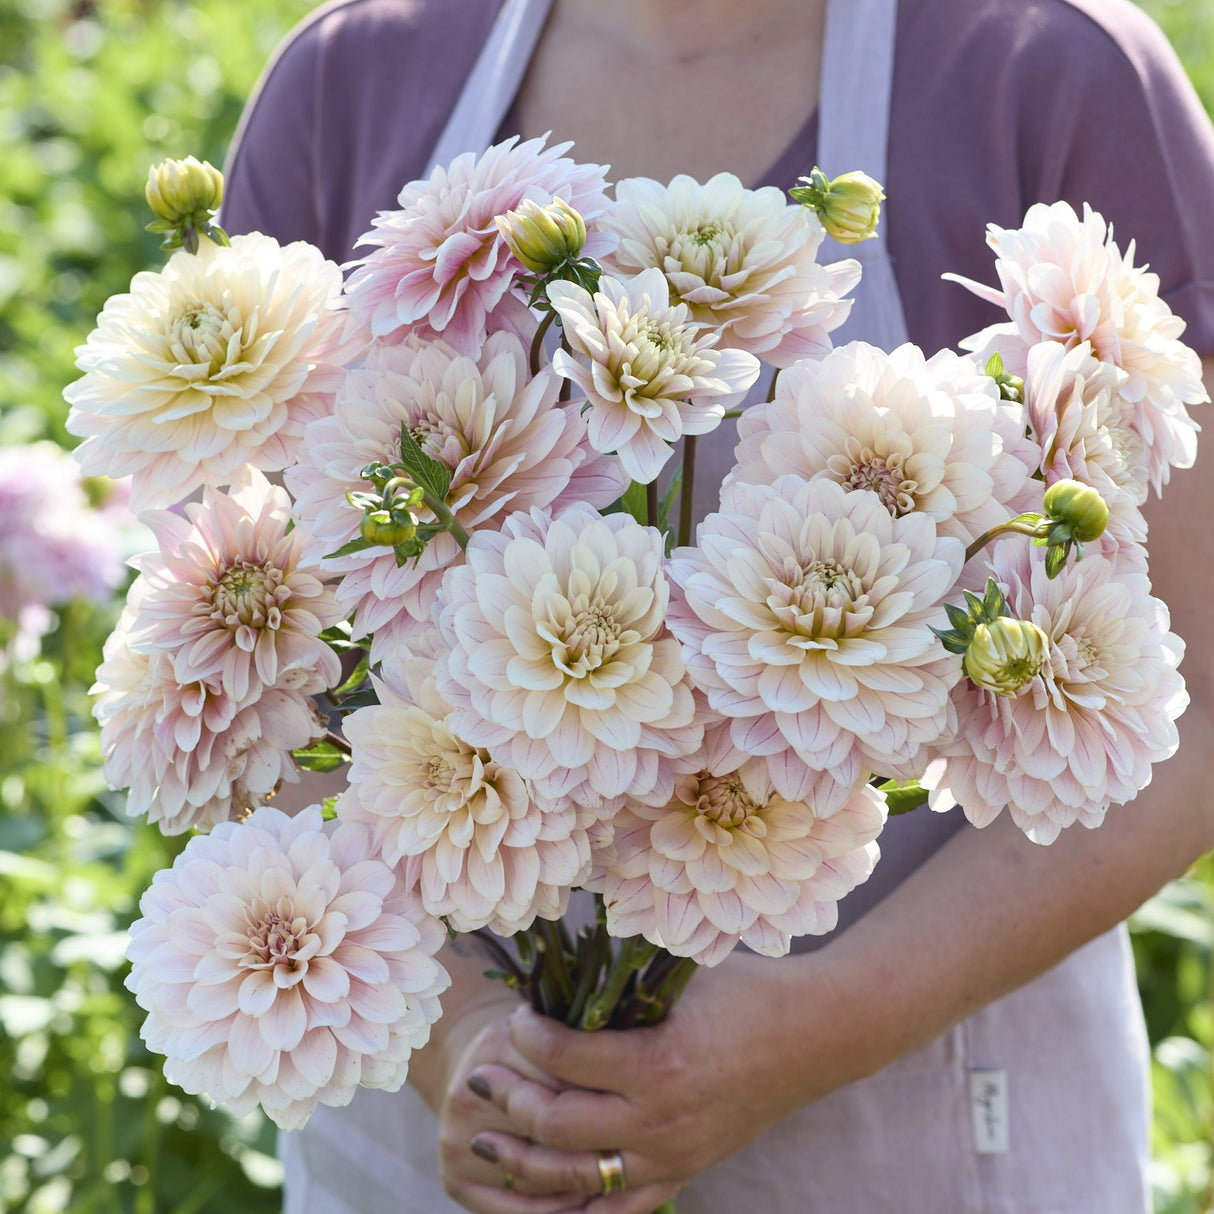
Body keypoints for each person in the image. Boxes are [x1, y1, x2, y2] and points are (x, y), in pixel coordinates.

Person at [221, 1, 1214, 1210]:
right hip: (446, 1126)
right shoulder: (347, 80)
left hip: (911, 1128)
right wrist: (470, 1052)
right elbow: (238, 650)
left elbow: (1194, 708)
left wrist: (798, 1032)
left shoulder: (1044, 73)